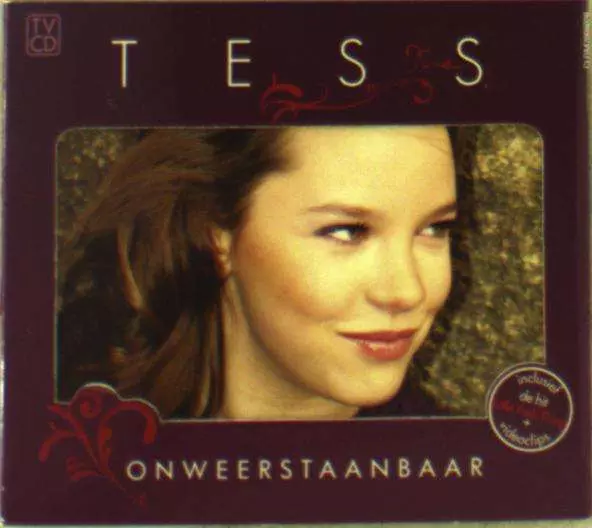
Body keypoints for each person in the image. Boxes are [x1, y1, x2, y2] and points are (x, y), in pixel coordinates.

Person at [58, 126, 457, 420]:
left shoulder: (454, 479)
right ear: (214, 233)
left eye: (433, 229)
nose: (407, 291)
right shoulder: (69, 433)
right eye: (347, 232)